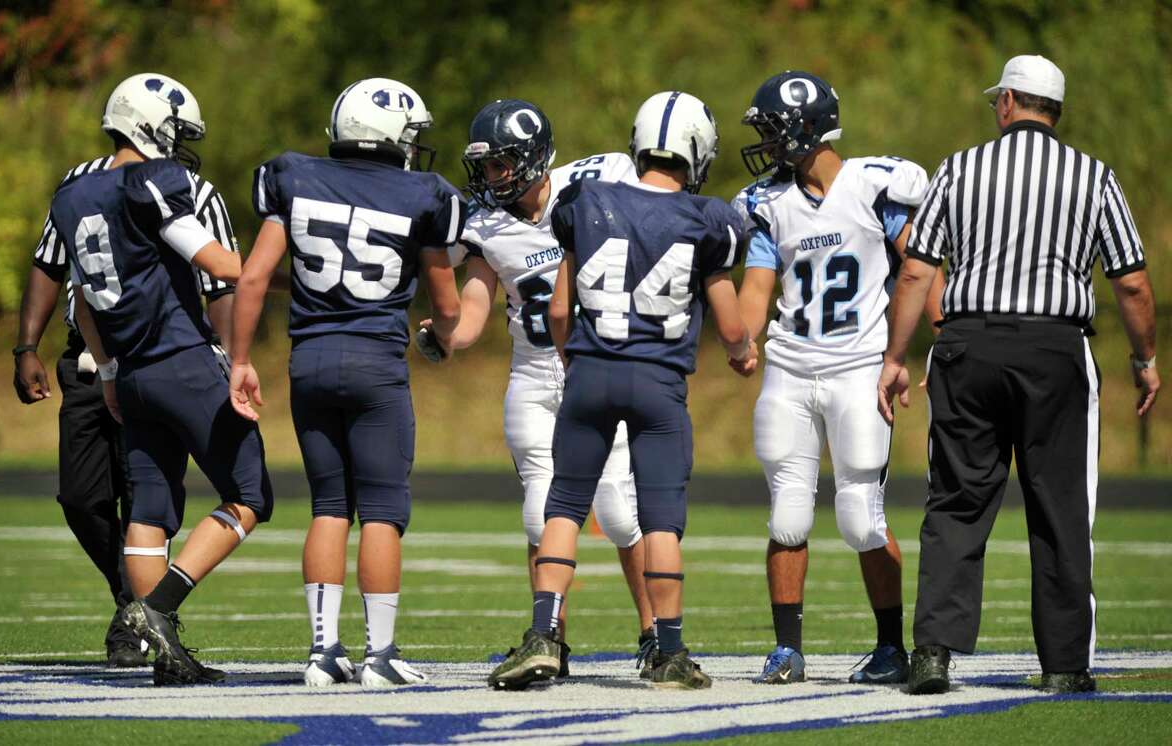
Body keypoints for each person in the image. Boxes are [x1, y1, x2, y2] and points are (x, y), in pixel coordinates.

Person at [877, 55, 1158, 694]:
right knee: (1059, 506)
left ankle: (934, 654)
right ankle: (1063, 665)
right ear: (1053, 109)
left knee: (956, 499)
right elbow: (1133, 282)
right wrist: (1144, 360)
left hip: (969, 347)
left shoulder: (959, 168)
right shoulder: (1094, 176)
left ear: (1007, 102)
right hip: (1056, 350)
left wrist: (896, 358)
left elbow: (918, 271)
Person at [488, 90, 752, 691]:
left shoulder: (587, 200)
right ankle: (669, 651)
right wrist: (742, 352)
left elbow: (560, 309)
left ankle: (544, 636)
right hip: (659, 384)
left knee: (562, 508)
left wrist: (572, 357)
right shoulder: (708, 218)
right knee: (659, 521)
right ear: (697, 151)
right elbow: (732, 325)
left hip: (591, 374)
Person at [230, 78, 462, 688]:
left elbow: (252, 280)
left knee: (329, 506)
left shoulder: (294, 176)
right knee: (383, 510)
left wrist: (239, 359)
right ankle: (379, 658)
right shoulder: (425, 193)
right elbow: (447, 303)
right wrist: (440, 334)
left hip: (308, 361)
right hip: (375, 366)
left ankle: (321, 654)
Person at [48, 73, 273, 687]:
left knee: (150, 509)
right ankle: (158, 609)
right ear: (148, 123)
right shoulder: (154, 183)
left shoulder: (73, 195)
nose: (180, 145)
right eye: (175, 129)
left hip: (133, 372)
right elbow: (218, 265)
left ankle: (166, 655)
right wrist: (286, 260)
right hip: (182, 360)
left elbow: (85, 304)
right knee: (251, 496)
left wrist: (113, 373)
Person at [424, 98, 654, 678]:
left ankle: (656, 635)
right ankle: (550, 640)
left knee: (623, 515)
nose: (490, 177)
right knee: (538, 514)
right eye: (486, 166)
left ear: (531, 157)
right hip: (533, 379)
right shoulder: (486, 226)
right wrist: (445, 335)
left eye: (500, 164)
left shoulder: (593, 189)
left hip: (595, 370)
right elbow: (473, 318)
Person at [732, 71, 943, 685]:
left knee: (861, 517)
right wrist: (742, 340)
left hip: (858, 367)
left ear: (802, 128)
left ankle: (889, 648)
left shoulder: (877, 187)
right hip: (791, 368)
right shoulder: (769, 203)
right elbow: (757, 287)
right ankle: (787, 649)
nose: (767, 144)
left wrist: (946, 336)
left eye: (772, 130)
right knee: (788, 516)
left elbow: (921, 267)